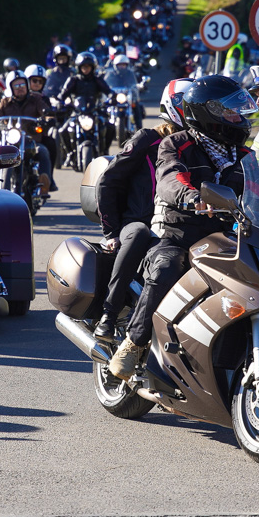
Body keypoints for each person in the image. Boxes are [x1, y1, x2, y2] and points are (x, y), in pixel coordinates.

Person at [108, 75, 258, 381]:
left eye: (240, 111)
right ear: (209, 112)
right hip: (180, 233)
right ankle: (134, 343)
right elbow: (170, 179)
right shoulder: (177, 144)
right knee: (166, 267)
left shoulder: (248, 157)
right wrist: (192, 197)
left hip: (229, 237)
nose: (240, 118)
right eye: (232, 111)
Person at [93, 78, 194, 341]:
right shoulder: (148, 139)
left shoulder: (197, 146)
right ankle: (109, 313)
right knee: (137, 234)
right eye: (188, 103)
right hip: (139, 222)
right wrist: (111, 232)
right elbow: (107, 181)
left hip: (177, 226)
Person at [0, 70, 54, 196]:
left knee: (43, 151)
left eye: (22, 85)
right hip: (10, 141)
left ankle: (45, 183)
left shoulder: (36, 100)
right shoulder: (5, 102)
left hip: (31, 141)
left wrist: (46, 117)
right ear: (11, 88)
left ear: (27, 86)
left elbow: (46, 111)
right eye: (16, 86)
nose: (20, 88)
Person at [56, 51, 115, 162]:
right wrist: (60, 101)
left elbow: (108, 91)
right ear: (79, 67)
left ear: (93, 67)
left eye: (88, 66)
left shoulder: (97, 80)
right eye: (83, 66)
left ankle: (105, 150)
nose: (86, 69)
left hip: (95, 111)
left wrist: (112, 97)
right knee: (62, 131)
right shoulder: (73, 80)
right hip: (77, 112)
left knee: (110, 127)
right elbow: (63, 94)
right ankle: (70, 153)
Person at [25, 64, 60, 189]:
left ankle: (48, 178)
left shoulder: (44, 98)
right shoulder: (17, 95)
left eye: (40, 81)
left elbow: (49, 112)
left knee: (50, 143)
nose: (37, 84)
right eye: (34, 80)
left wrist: (49, 119)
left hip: (36, 134)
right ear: (27, 80)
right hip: (17, 133)